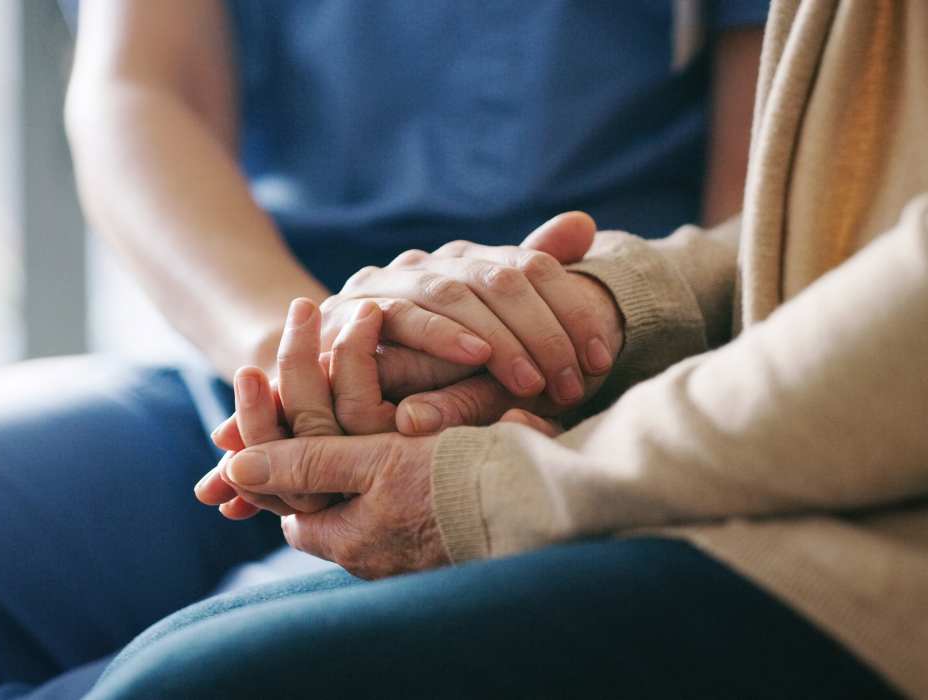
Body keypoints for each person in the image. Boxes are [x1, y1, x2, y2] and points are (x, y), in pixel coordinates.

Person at [86, 0, 927, 697]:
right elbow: (821, 227)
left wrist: (507, 482)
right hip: (296, 361)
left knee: (173, 680)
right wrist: (607, 300)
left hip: (687, 446)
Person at [0, 2, 770, 698]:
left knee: (154, 684)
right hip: (245, 366)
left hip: (578, 396)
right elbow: (141, 90)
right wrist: (304, 355)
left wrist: (560, 366)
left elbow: (773, 204)